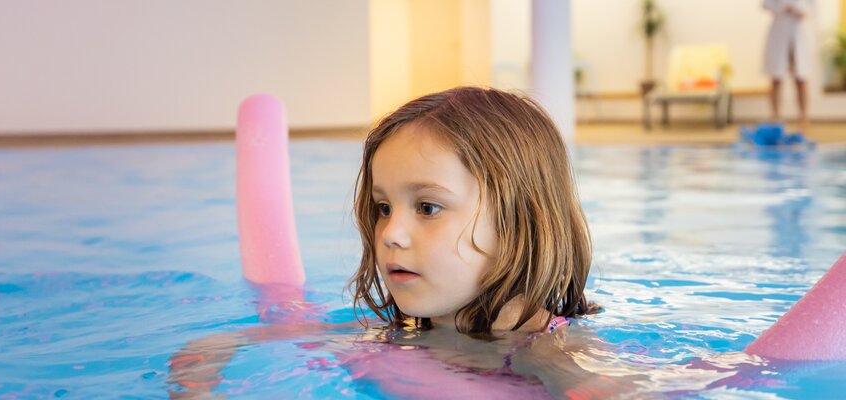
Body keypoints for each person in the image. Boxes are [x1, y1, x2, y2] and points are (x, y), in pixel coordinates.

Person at [168, 87, 636, 398]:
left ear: (521, 221)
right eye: (383, 207)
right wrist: (201, 373)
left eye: (428, 208)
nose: (390, 233)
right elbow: (221, 345)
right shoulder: (400, 333)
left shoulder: (547, 355)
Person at [762, 0, 813, 128]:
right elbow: (765, 4)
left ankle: (803, 117)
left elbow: (812, 7)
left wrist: (799, 10)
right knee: (776, 77)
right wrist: (783, 7)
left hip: (797, 30)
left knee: (801, 78)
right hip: (778, 31)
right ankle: (775, 116)